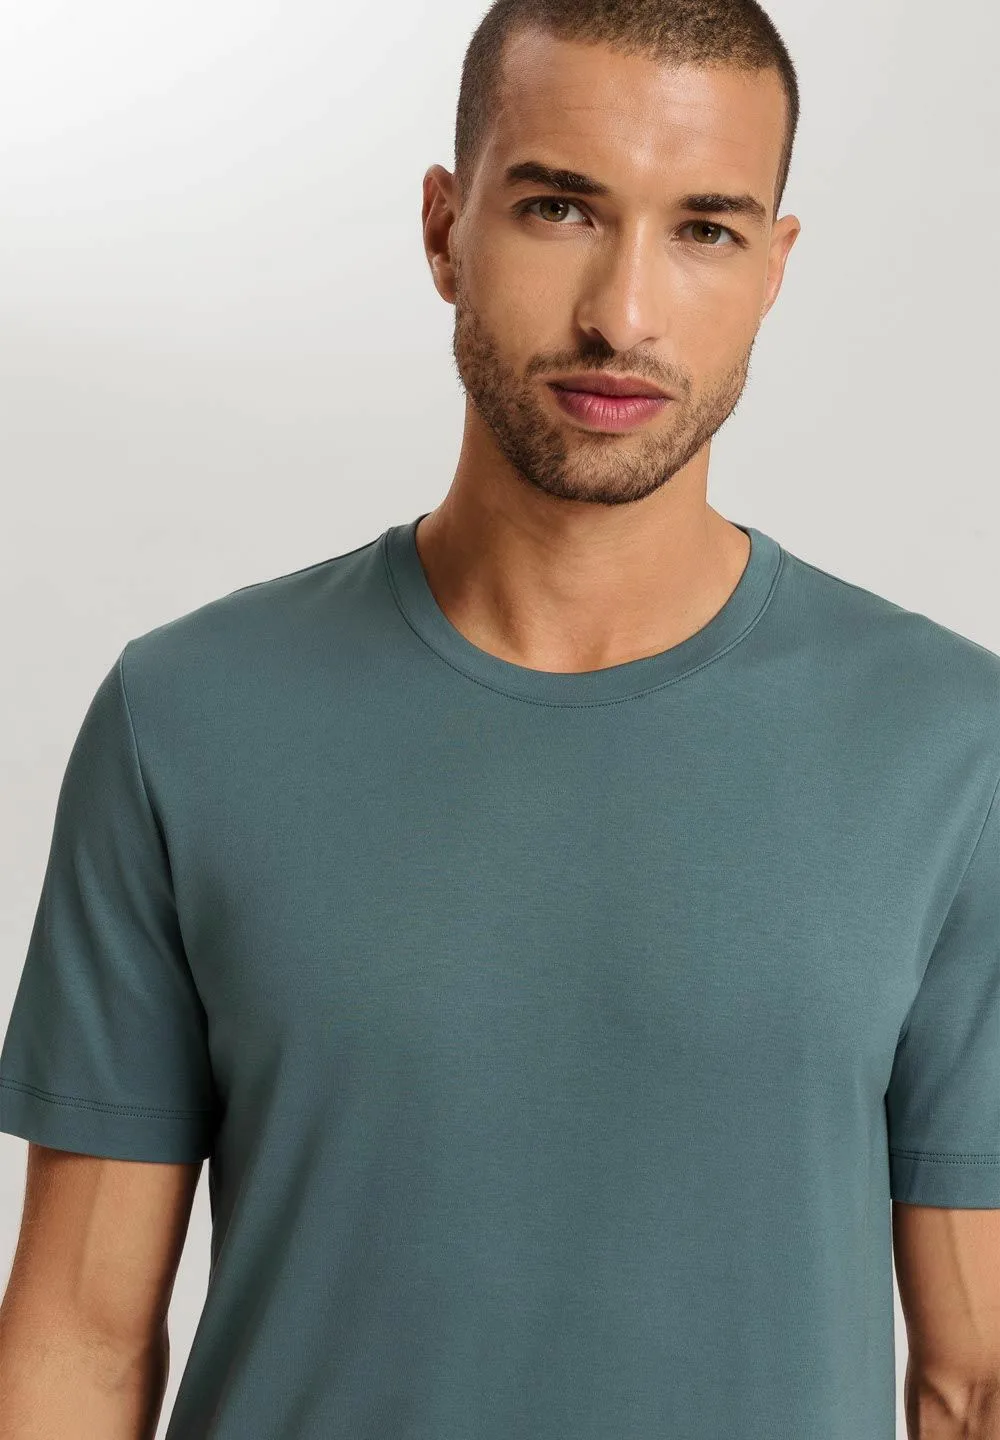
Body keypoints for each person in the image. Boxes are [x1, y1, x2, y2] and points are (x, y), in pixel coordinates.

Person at [1, 0, 999, 1435]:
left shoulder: (951, 748)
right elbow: (80, 1344)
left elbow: (975, 1380)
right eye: (559, 209)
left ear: (775, 268)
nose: (623, 315)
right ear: (444, 230)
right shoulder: (187, 718)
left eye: (705, 229)